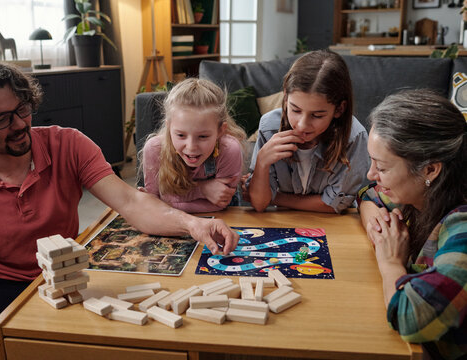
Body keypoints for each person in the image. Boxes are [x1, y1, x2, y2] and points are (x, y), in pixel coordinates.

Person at [0, 60, 239, 360]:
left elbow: (131, 202)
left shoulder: (68, 144)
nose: (21, 124)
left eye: (22, 109)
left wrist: (193, 224)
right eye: (2, 119)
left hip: (64, 274)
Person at [357, 89, 466, 360]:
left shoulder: (461, 229)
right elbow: (367, 193)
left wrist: (390, 263)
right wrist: (377, 225)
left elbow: (412, 318)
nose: (372, 173)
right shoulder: (419, 194)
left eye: (381, 167)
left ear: (430, 169)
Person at [246, 50, 370, 213]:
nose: (303, 125)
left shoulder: (354, 138)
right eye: (295, 110)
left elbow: (334, 206)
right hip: (282, 224)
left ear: (339, 109)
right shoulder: (269, 127)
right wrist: (262, 162)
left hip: (334, 226)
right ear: (285, 98)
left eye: (317, 115)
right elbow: (259, 204)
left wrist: (276, 197)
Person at [141, 78, 246, 213]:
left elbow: (220, 204)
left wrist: (166, 201)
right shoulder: (154, 149)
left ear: (220, 130)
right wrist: (203, 189)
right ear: (169, 127)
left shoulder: (229, 149)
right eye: (180, 135)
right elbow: (153, 204)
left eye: (202, 136)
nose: (191, 147)